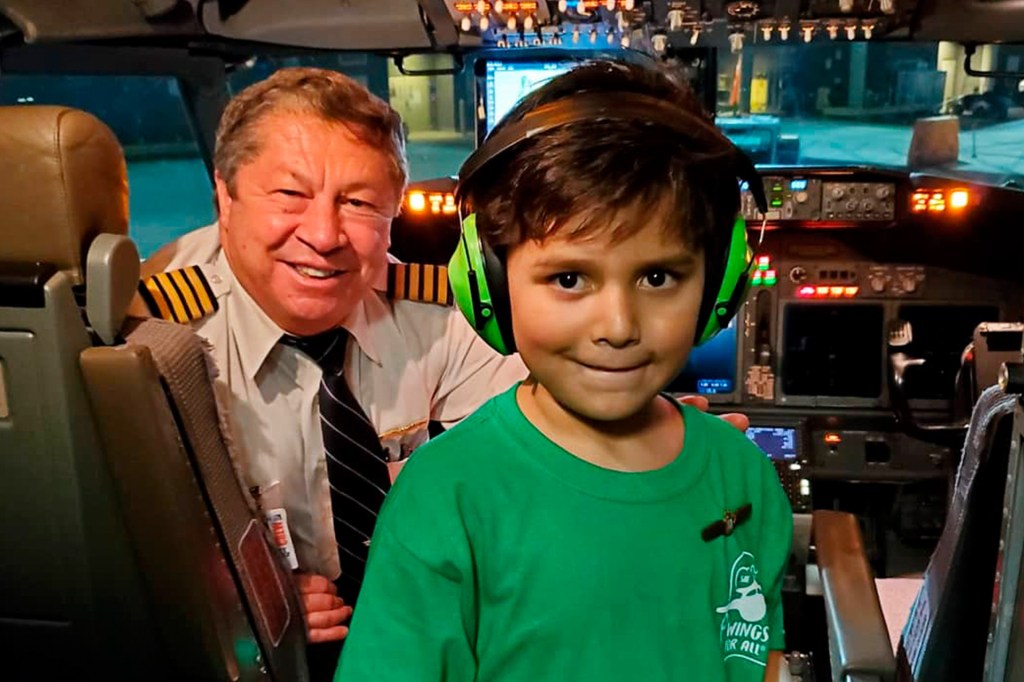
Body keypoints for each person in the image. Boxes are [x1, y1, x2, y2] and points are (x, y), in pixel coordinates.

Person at [137, 66, 750, 680]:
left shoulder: (438, 318)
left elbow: (563, 410)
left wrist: (648, 443)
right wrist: (238, 599)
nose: (324, 236)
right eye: (290, 196)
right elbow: (121, 557)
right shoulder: (156, 351)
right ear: (224, 196)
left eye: (358, 203)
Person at [335, 61, 793, 681]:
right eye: (569, 279)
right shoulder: (446, 495)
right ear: (490, 284)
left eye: (658, 277)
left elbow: (757, 661)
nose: (619, 325)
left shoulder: (742, 475)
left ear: (718, 286)